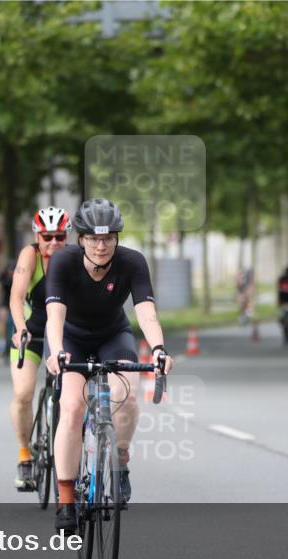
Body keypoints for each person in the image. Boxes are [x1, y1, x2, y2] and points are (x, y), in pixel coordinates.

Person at [45, 199, 173, 534]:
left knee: (127, 397)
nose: (101, 246)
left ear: (117, 238)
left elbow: (146, 311)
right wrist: (57, 351)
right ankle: (66, 498)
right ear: (81, 239)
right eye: (93, 239)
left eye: (109, 238)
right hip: (70, 338)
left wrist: (159, 349)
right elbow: (55, 316)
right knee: (72, 407)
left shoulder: (132, 262)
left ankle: (120, 461)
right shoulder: (62, 261)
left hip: (113, 335)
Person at [9, 207, 70, 490]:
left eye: (60, 236)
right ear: (38, 236)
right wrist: (20, 328)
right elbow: (16, 297)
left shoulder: (76, 257)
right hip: (32, 332)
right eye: (48, 237)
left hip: (66, 333)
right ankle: (24, 454)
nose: (54, 243)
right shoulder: (29, 256)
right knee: (23, 393)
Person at [0, 259, 17, 359]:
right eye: (10, 272)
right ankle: (2, 343)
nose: (11, 275)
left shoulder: (20, 277)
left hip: (16, 300)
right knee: (3, 319)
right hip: (5, 300)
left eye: (13, 272)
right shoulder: (3, 277)